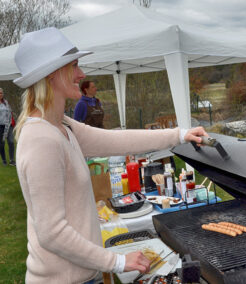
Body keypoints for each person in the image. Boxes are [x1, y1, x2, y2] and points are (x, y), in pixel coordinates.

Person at [13, 27, 208, 283]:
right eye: (73, 66)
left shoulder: (63, 125)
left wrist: (179, 135)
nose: (81, 74)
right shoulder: (40, 138)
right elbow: (51, 232)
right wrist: (117, 261)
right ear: (51, 75)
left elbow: (117, 139)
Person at [0, 88, 15, 166]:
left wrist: (11, 122)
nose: (1, 94)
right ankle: (4, 160)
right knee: (1, 144)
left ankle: (12, 160)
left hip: (8, 125)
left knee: (11, 142)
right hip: (0, 127)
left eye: (1, 93)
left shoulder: (6, 102)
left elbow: (10, 112)